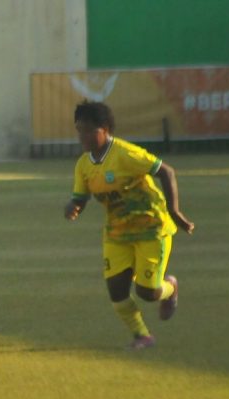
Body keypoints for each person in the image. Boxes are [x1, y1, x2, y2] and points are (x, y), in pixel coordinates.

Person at [63, 100, 194, 350]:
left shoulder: (125, 154)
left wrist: (174, 210)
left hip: (151, 229)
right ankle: (142, 336)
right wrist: (73, 207)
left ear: (104, 129)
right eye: (79, 129)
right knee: (117, 291)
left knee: (148, 292)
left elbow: (165, 171)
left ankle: (171, 287)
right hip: (117, 234)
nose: (83, 135)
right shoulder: (83, 165)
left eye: (88, 129)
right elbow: (80, 196)